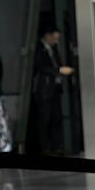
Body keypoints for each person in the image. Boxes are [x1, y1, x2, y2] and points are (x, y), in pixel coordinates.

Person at [32, 25, 75, 155]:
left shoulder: (54, 49)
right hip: (44, 89)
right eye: (55, 38)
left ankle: (56, 146)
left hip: (55, 88)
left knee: (56, 118)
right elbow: (41, 67)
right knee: (44, 119)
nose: (56, 41)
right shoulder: (38, 48)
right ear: (47, 36)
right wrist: (60, 70)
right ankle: (44, 148)